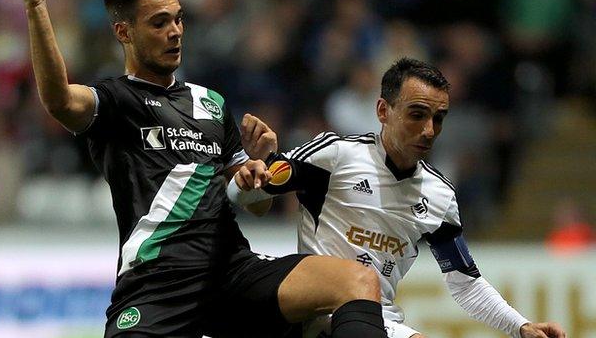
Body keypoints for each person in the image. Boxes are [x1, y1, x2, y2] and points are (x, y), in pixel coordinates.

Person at [15, 0, 389, 337]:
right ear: (124, 32)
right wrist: (36, 7)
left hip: (232, 270)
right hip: (158, 281)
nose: (175, 32)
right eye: (159, 23)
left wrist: (257, 170)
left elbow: (258, 207)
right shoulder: (116, 100)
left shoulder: (211, 103)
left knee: (358, 281)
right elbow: (60, 101)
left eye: (179, 19)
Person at [229, 58, 567, 338]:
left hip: (377, 321)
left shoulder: (439, 195)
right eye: (417, 115)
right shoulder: (337, 155)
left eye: (438, 118)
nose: (429, 130)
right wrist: (249, 170)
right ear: (383, 110)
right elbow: (247, 196)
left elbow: (466, 284)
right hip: (320, 314)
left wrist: (520, 326)